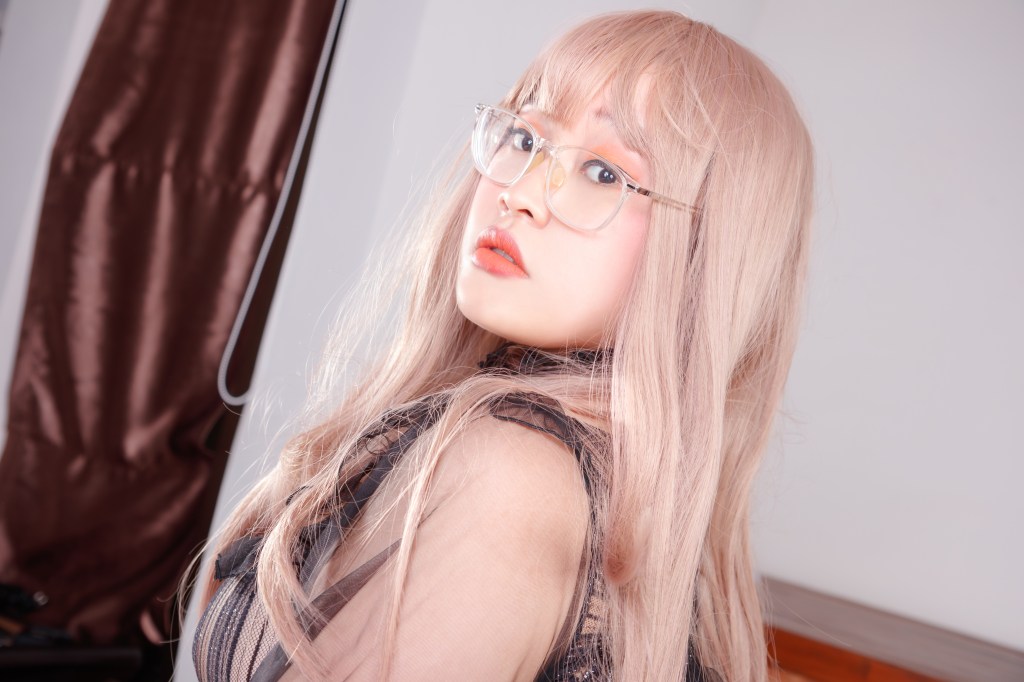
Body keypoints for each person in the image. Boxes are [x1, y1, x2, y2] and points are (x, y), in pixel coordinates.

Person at [190, 9, 814, 682]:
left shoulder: (517, 473)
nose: (520, 193)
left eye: (603, 173)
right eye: (525, 136)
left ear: (703, 258)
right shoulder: (555, 467)